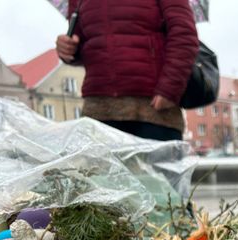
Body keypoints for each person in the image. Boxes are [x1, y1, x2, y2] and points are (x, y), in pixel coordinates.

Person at [55, 0, 199, 141]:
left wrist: (170, 89)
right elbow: (83, 43)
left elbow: (184, 34)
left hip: (153, 112)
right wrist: (67, 49)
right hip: (99, 111)